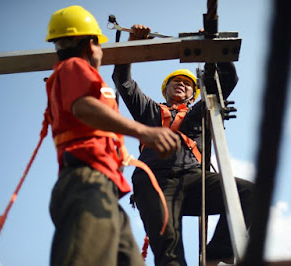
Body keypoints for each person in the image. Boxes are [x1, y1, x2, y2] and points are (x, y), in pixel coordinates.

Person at [45, 7, 181, 266]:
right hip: (86, 182)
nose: (102, 51)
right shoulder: (75, 66)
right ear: (89, 43)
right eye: (99, 44)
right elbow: (82, 106)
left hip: (102, 186)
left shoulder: (72, 73)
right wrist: (144, 131)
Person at [112, 25, 254, 266]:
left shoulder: (201, 111)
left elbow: (228, 80)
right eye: (175, 82)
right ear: (165, 90)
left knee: (249, 194)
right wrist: (132, 43)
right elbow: (122, 81)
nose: (181, 84)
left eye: (187, 84)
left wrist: (212, 43)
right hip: (154, 181)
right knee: (170, 255)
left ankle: (218, 252)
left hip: (192, 179)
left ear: (193, 92)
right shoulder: (150, 111)